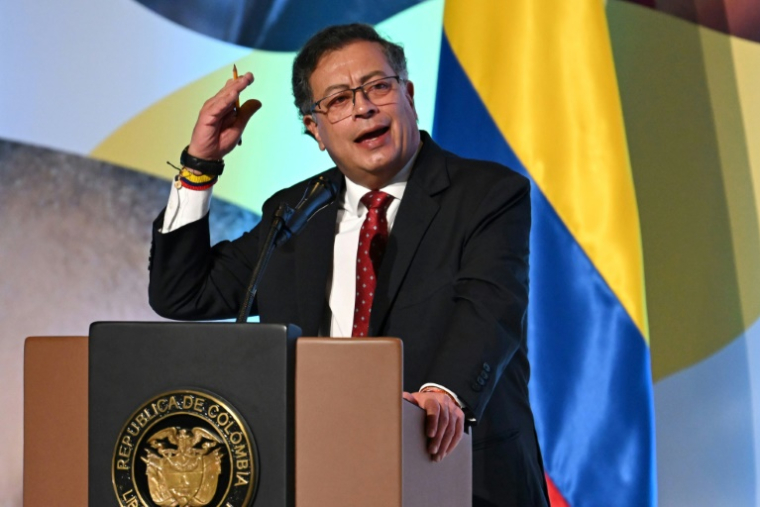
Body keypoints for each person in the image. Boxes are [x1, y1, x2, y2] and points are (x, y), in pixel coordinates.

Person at [149, 23, 549, 507]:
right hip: (324, 480)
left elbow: (491, 306)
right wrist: (199, 166)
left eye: (378, 86)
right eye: (337, 100)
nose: (363, 107)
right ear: (314, 129)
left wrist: (445, 393)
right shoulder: (293, 212)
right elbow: (182, 294)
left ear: (409, 95)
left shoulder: (486, 193)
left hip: (458, 475)